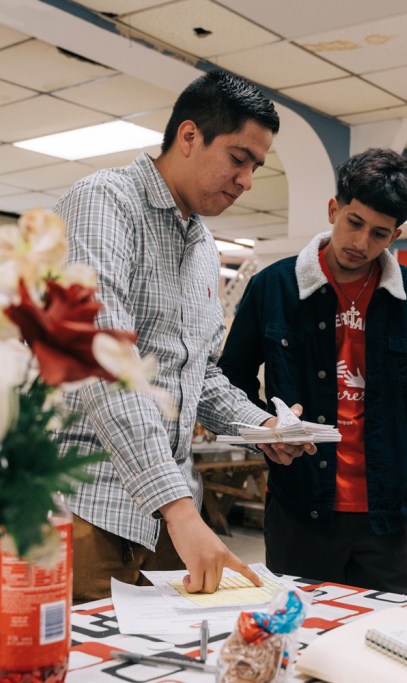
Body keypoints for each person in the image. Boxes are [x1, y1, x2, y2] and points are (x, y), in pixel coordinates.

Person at [53, 69, 309, 602]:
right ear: (189, 136)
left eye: (256, 167)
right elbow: (104, 359)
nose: (246, 180)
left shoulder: (204, 248)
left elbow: (199, 373)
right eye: (238, 158)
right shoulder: (104, 202)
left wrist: (262, 426)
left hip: (169, 520)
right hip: (88, 510)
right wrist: (178, 508)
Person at [218, 148, 407, 597]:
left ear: (396, 235)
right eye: (354, 222)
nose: (361, 242)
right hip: (300, 510)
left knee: (390, 635)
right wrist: (264, 430)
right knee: (300, 630)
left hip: (390, 519)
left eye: (379, 234)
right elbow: (232, 378)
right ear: (333, 210)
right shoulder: (274, 287)